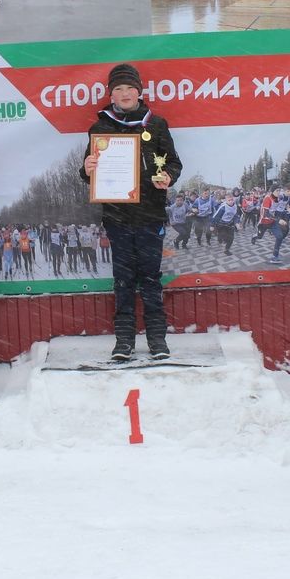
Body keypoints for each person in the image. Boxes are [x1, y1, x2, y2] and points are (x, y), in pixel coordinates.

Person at [81, 63, 181, 361]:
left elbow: (174, 162)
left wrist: (168, 177)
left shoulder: (157, 124)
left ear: (139, 91)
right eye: (118, 89)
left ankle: (157, 341)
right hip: (117, 217)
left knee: (150, 278)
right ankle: (123, 341)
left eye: (129, 88)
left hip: (150, 215)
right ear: (111, 95)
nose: (124, 93)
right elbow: (88, 170)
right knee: (123, 279)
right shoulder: (100, 127)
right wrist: (86, 169)